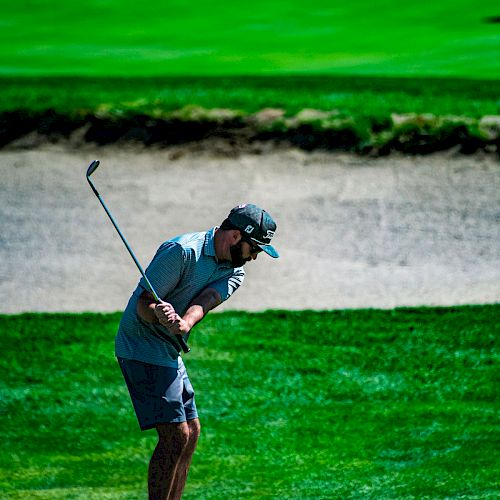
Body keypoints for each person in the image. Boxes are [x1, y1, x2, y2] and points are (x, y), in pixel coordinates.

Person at [115, 203, 279, 500]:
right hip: (140, 345)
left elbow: (206, 300)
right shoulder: (181, 252)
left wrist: (183, 323)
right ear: (234, 237)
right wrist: (159, 315)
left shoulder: (235, 271)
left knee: (191, 431)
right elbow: (143, 305)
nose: (255, 256)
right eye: (254, 247)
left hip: (169, 347)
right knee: (175, 435)